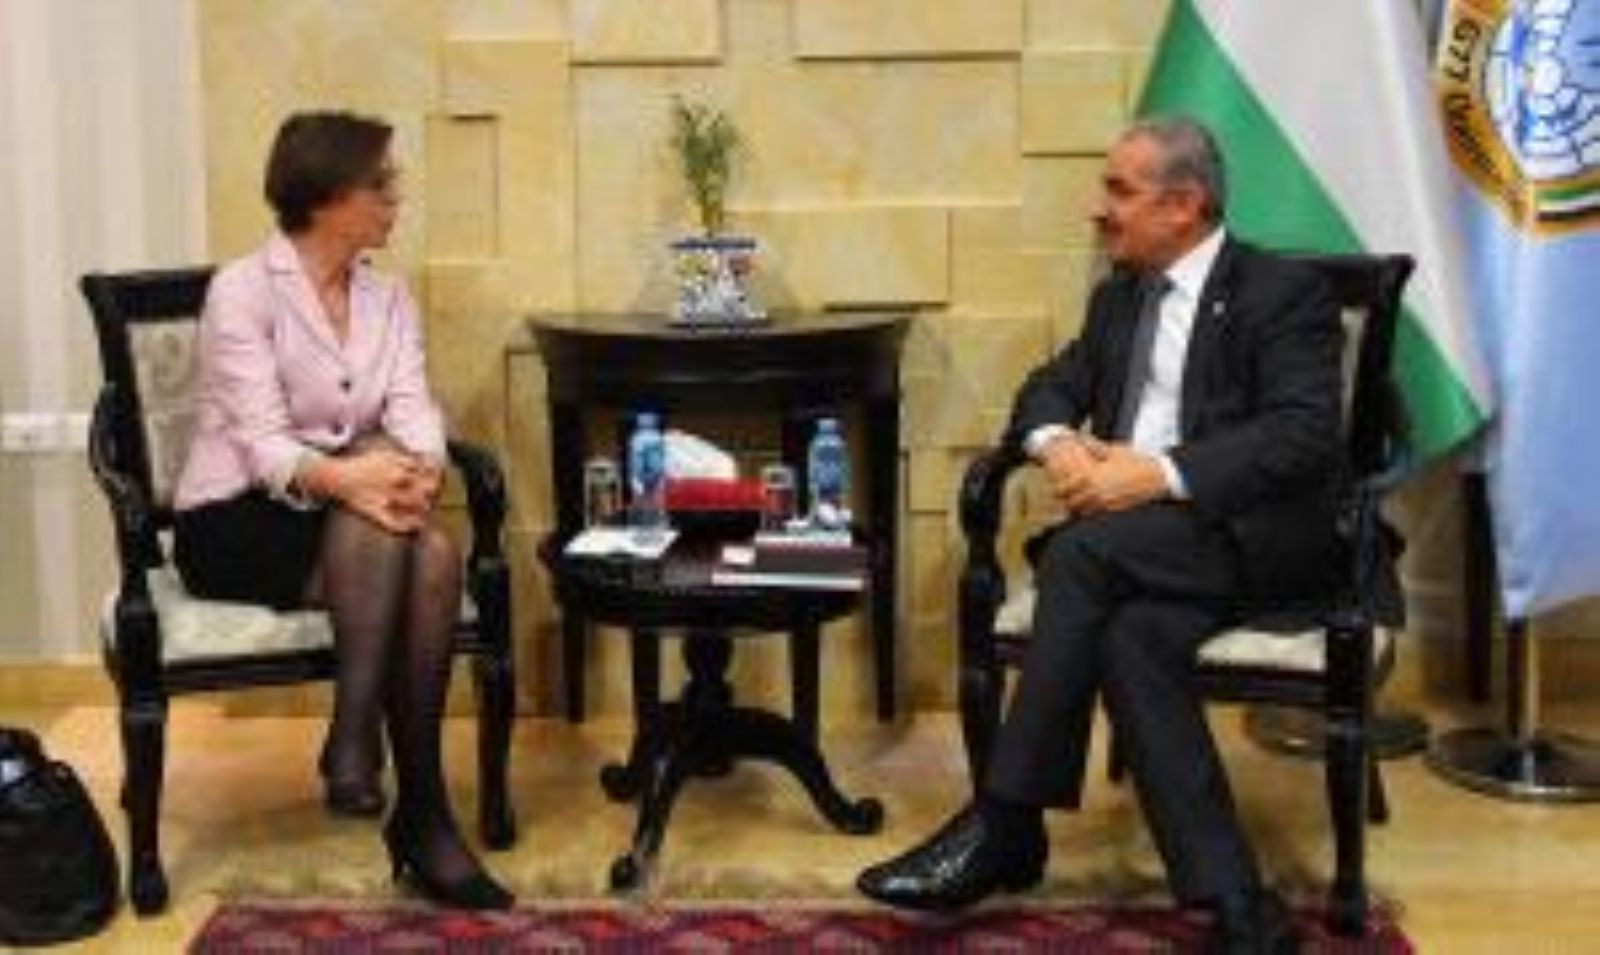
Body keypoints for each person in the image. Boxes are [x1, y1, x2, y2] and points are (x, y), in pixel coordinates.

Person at [857, 116, 1346, 953]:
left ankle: (1006, 822)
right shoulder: (1121, 296)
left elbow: (1303, 434)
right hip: (1149, 555)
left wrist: (1156, 473)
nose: (1098, 207)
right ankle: (1240, 903)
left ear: (1183, 204)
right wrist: (1060, 444)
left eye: (1119, 189)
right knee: (1131, 638)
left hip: (1255, 538)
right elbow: (1049, 385)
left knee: (1079, 554)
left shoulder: (1280, 291)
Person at [172, 111, 512, 910]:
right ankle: (414, 807)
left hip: (348, 515)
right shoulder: (242, 291)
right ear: (327, 197)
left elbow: (414, 407)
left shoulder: (388, 298)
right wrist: (356, 479)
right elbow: (261, 444)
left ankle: (363, 750)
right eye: (380, 184)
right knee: (412, 546)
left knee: (426, 549)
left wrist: (418, 468)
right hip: (236, 516)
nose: (396, 198)